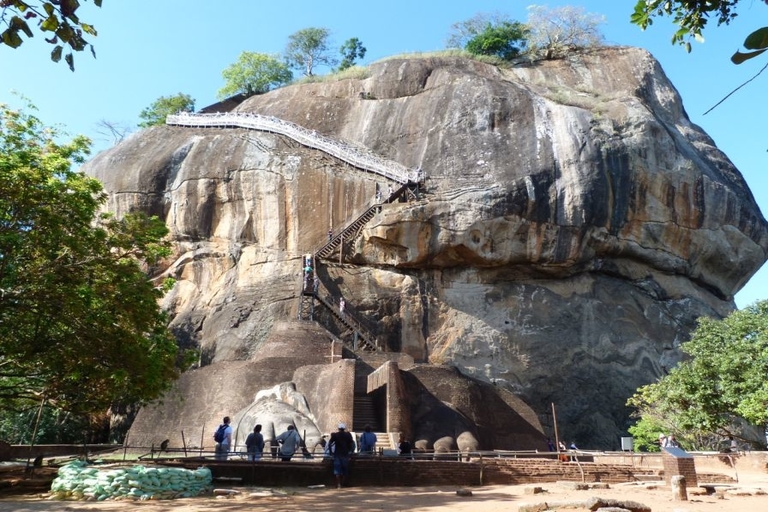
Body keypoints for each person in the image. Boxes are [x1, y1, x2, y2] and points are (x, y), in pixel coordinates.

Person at [328, 423, 355, 489]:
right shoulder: (348, 435)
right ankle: (344, 483)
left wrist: (331, 452)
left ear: (339, 428)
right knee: (345, 469)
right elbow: (352, 443)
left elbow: (329, 443)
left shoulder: (335, 435)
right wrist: (351, 451)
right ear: (344, 428)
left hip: (337, 454)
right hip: (345, 454)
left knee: (337, 470)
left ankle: (339, 484)